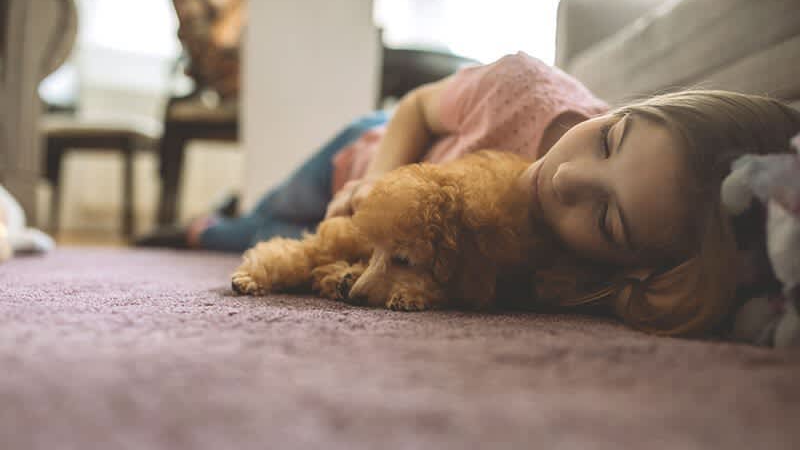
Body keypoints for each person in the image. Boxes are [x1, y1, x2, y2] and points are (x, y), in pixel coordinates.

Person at [137, 52, 800, 337]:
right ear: (630, 107)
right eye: (608, 140)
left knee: (260, 243)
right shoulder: (525, 87)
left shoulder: (574, 265)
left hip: (388, 236)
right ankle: (212, 219)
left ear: (629, 260)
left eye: (606, 216)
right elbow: (417, 109)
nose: (564, 178)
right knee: (264, 216)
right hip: (366, 153)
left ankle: (215, 224)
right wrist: (377, 180)